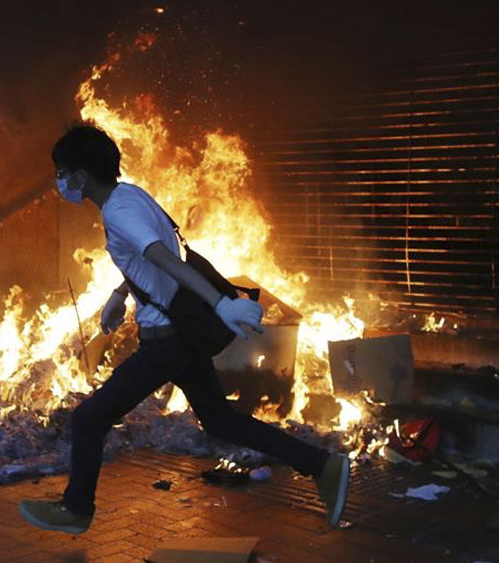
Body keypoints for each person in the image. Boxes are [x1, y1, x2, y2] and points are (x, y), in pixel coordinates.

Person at [18, 123, 349, 534]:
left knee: (88, 420)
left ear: (81, 174)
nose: (61, 181)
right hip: (181, 336)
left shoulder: (119, 211)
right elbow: (150, 256)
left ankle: (76, 509)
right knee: (220, 421)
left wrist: (221, 303)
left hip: (166, 343)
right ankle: (323, 465)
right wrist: (120, 294)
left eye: (62, 172)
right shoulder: (130, 196)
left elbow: (161, 255)